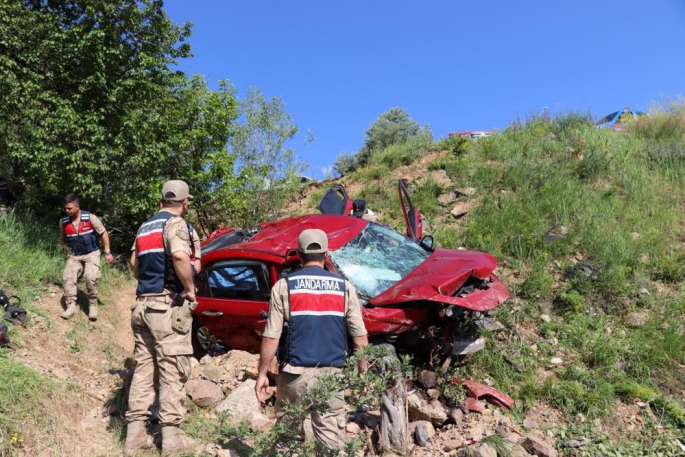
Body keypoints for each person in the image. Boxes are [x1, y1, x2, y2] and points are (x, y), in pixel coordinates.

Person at [255, 228, 369, 450]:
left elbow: (271, 336)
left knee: (287, 441)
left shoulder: (284, 286)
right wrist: (362, 372)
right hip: (331, 377)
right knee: (330, 444)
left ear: (298, 254)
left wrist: (262, 374)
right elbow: (360, 337)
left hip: (294, 375)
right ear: (326, 255)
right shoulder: (344, 287)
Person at [124, 180, 198, 456]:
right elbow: (180, 257)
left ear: (161, 200)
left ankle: (133, 441)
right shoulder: (175, 224)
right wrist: (189, 289)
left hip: (142, 306)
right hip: (165, 308)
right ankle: (171, 444)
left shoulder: (145, 226)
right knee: (172, 372)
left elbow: (134, 264)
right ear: (184, 202)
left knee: (143, 372)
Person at [59, 193, 114, 321]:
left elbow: (103, 233)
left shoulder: (90, 218)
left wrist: (107, 252)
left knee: (90, 276)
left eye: (70, 208)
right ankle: (71, 305)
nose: (67, 211)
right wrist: (65, 256)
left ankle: (93, 304)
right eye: (65, 208)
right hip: (75, 255)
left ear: (77, 206)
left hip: (91, 253)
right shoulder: (64, 222)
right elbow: (62, 240)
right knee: (68, 276)